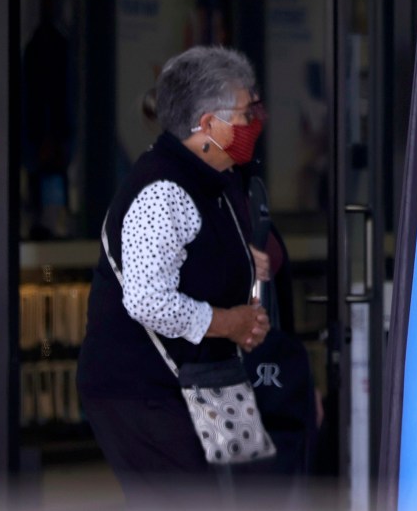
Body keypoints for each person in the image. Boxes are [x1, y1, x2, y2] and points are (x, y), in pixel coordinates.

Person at [76, 46, 273, 506]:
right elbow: (148, 300)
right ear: (207, 125)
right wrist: (230, 322)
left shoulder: (215, 179)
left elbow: (205, 259)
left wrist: (245, 306)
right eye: (245, 114)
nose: (254, 123)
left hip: (211, 377)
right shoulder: (163, 189)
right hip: (145, 388)